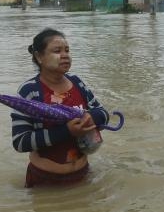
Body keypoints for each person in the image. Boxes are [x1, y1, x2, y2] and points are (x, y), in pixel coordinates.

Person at [11, 28, 110, 188]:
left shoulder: (77, 83)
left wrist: (91, 117)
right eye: (57, 51)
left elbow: (104, 114)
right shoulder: (29, 91)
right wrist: (67, 132)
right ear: (39, 56)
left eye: (67, 50)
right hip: (45, 182)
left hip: (83, 175)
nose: (65, 55)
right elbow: (20, 142)